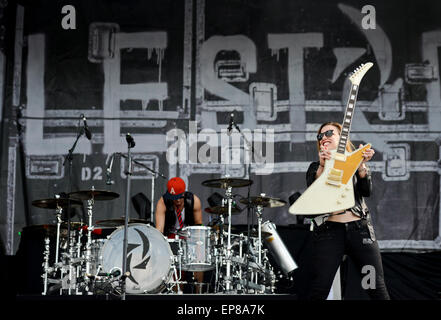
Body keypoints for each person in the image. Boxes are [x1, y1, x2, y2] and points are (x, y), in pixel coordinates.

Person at [305, 121, 390, 300]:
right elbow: (314, 190)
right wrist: (322, 165)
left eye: (329, 133)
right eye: (320, 136)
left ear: (342, 138)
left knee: (375, 286)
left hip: (360, 230)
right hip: (330, 233)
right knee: (319, 287)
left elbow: (367, 191)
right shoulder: (315, 167)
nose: (323, 138)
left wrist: (361, 166)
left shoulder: (354, 163)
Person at [155, 177, 205, 292]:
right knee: (174, 264)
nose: (177, 200)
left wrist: (198, 245)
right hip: (172, 234)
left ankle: (199, 292)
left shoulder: (194, 200)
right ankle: (177, 292)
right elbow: (160, 229)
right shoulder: (163, 202)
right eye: (174, 198)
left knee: (199, 257)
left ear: (184, 193)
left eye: (179, 197)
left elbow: (198, 225)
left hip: (190, 234)